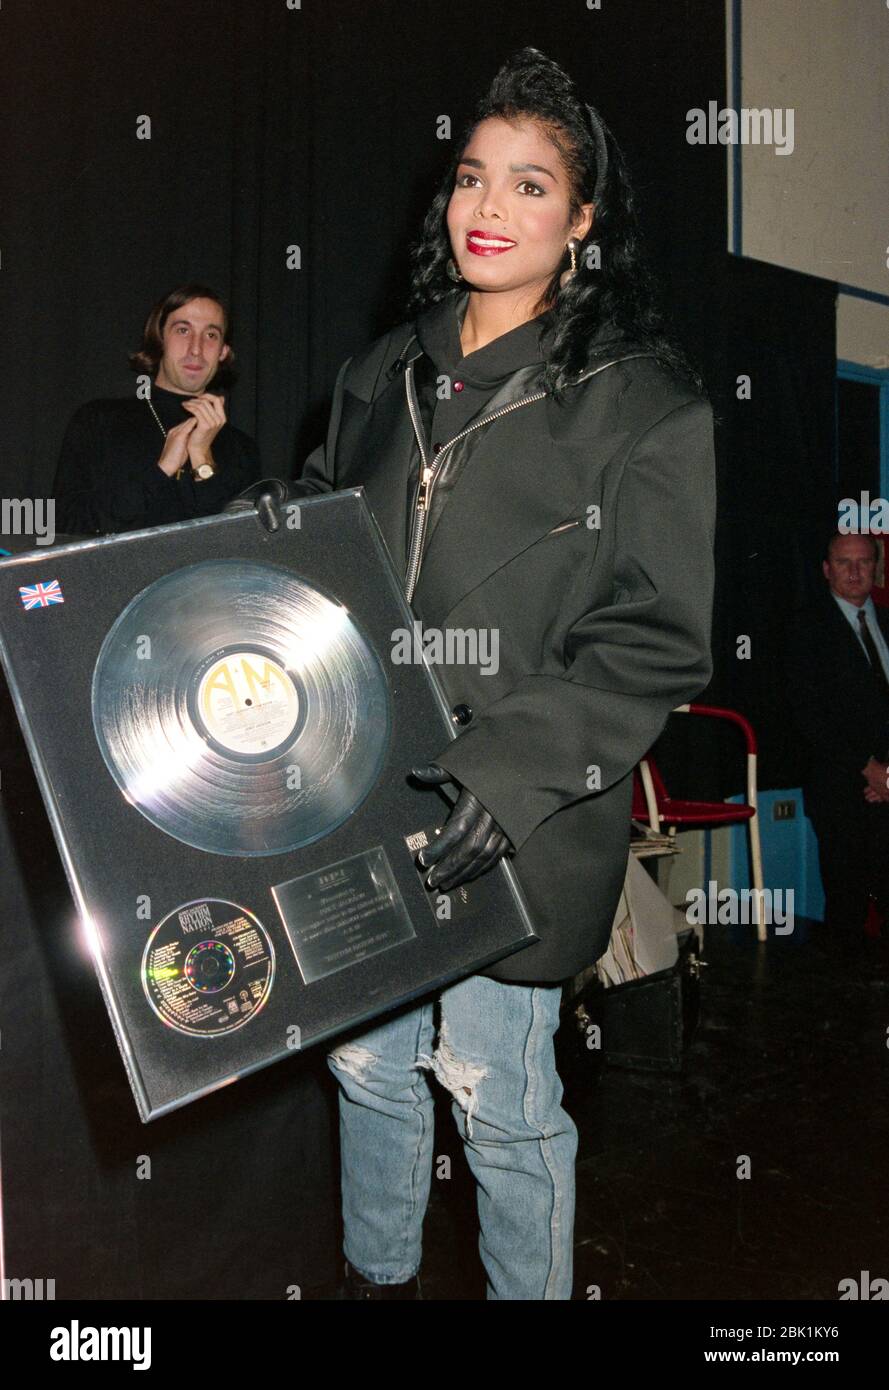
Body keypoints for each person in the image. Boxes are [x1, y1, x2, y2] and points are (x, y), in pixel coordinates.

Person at [294, 48, 716, 1299]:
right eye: (473, 177)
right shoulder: (382, 374)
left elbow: (654, 640)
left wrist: (512, 767)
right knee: (365, 1071)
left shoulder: (646, 407)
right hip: (363, 800)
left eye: (531, 186)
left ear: (583, 221)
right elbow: (329, 541)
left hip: (513, 819)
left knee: (501, 1100)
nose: (488, 206)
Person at [53, 283, 262, 536]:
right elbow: (66, 525)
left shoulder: (242, 449)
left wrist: (202, 459)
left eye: (210, 335)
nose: (196, 349)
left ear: (223, 352)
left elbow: (240, 544)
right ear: (160, 339)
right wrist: (161, 470)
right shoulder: (99, 420)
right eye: (183, 330)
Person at [784, 531, 889, 942]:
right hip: (842, 789)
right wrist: (870, 771)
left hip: (887, 789)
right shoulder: (806, 628)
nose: (854, 571)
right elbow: (810, 716)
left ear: (876, 568)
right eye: (844, 562)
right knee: (846, 908)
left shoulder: (888, 619)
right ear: (827, 570)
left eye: (863, 562)